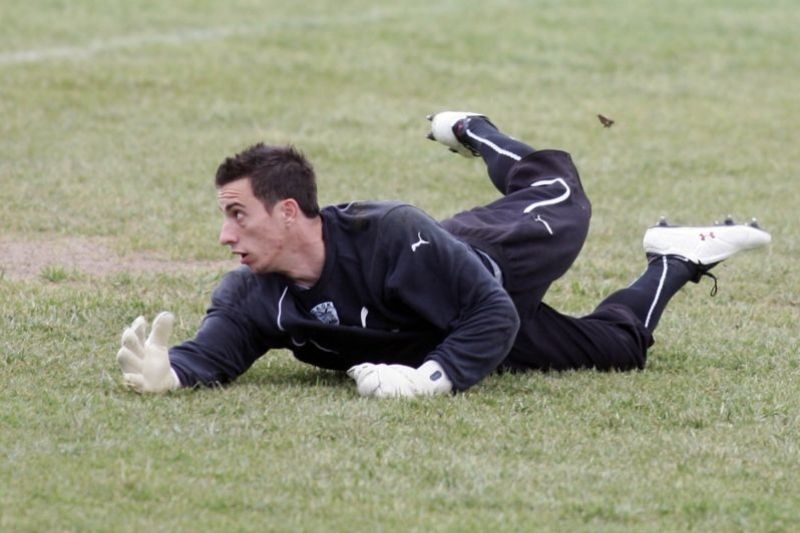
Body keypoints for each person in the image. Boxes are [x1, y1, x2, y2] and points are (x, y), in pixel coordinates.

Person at [116, 111, 772, 397]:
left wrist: (432, 379)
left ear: (288, 211)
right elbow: (216, 352)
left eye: (238, 215)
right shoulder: (254, 293)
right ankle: (674, 258)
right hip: (463, 327)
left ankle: (472, 129)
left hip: (482, 267)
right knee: (617, 352)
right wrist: (171, 372)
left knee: (562, 192)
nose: (226, 236)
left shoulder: (395, 234)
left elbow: (491, 311)